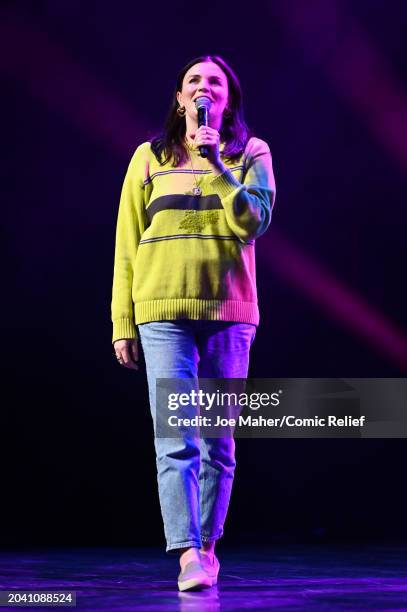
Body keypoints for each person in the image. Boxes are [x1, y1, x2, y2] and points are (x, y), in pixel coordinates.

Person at [111, 54, 276, 591]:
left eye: (214, 83)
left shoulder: (252, 153)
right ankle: (186, 554)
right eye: (194, 82)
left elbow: (252, 223)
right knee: (174, 438)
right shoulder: (148, 158)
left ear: (227, 99)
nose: (203, 89)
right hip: (161, 313)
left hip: (228, 313)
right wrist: (122, 322)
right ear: (180, 98)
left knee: (217, 440)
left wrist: (220, 167)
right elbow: (126, 246)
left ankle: (207, 547)